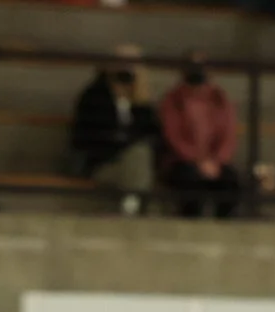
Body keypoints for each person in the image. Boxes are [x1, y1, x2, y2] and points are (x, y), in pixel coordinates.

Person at [70, 45, 159, 214]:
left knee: (139, 156)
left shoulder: (141, 100)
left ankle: (131, 207)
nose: (126, 68)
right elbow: (86, 137)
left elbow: (151, 133)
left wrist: (140, 102)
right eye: (122, 62)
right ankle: (135, 210)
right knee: (138, 158)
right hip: (104, 163)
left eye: (132, 64)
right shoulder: (94, 96)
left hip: (135, 162)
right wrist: (123, 143)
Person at [159, 52, 243, 219]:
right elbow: (173, 136)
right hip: (182, 161)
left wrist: (217, 160)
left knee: (231, 181)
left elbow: (228, 135)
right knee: (190, 182)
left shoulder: (219, 98)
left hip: (216, 163)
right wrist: (198, 161)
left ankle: (224, 227)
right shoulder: (173, 99)